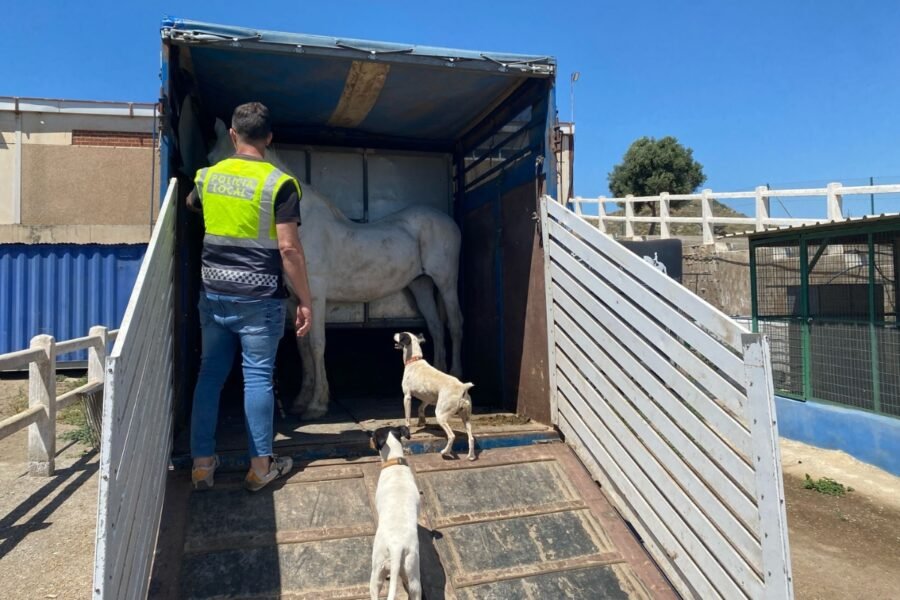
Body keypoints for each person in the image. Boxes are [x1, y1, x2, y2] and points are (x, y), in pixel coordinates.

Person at [186, 102, 313, 492]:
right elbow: (289, 249)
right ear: (270, 138)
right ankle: (261, 468)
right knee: (257, 377)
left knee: (210, 376)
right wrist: (305, 299)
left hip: (214, 294)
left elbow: (192, 204)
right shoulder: (281, 183)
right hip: (259, 299)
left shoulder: (208, 177)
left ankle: (202, 465)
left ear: (233, 135)